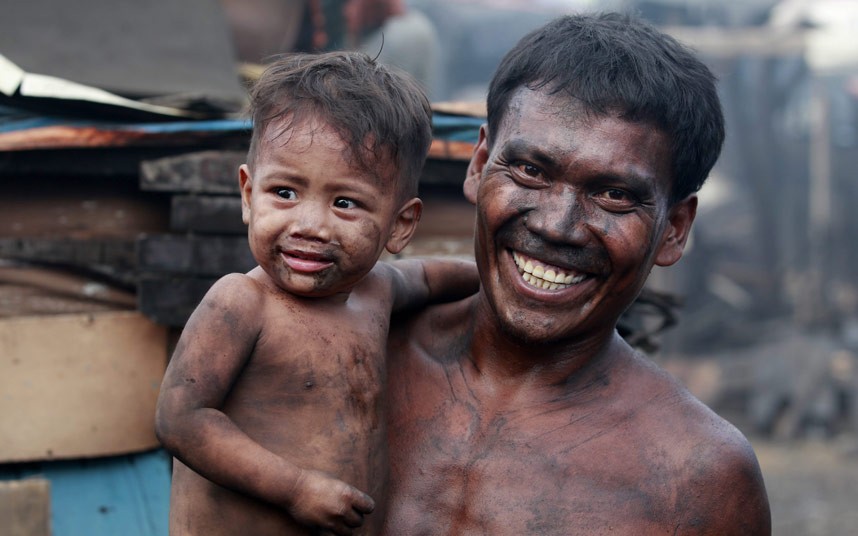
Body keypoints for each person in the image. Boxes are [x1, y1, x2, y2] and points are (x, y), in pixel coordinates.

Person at [383, 12, 772, 535]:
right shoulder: (357, 353)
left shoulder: (699, 480)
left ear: (676, 228)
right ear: (479, 165)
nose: (558, 226)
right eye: (530, 171)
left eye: (613, 195)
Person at [154, 51, 478, 536]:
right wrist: (296, 489)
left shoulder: (378, 293)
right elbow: (181, 419)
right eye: (284, 192)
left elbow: (434, 277)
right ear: (248, 195)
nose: (309, 226)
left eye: (345, 203)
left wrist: (503, 282)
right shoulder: (242, 303)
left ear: (400, 224)